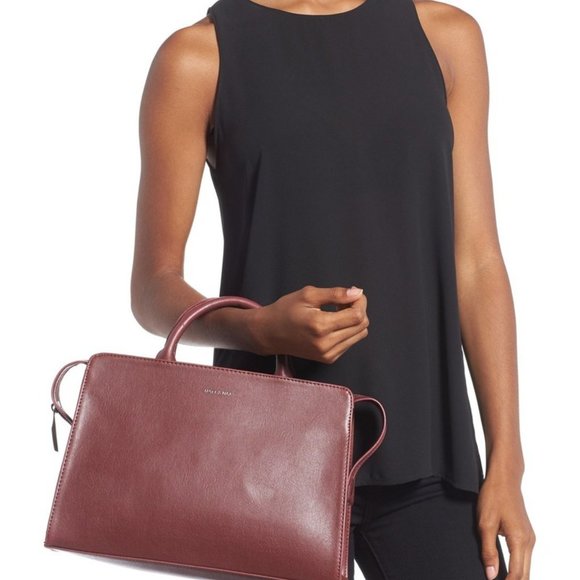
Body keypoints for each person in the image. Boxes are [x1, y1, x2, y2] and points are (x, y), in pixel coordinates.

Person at [130, 1, 536, 578]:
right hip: (263, 461)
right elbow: (152, 288)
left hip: (426, 448)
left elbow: (477, 262)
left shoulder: (446, 38)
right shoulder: (197, 57)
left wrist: (507, 463)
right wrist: (256, 329)